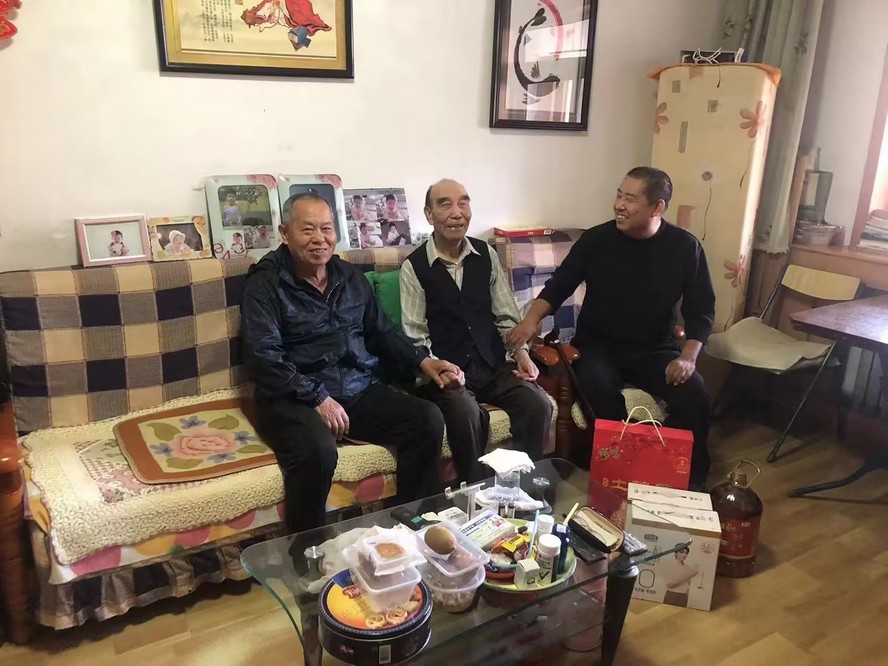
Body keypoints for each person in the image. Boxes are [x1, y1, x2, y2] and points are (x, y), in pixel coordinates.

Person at [241, 192, 462, 534]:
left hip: (355, 390)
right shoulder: (265, 284)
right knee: (318, 451)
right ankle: (307, 550)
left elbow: (382, 331)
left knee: (426, 418)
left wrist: (423, 361)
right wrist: (317, 397)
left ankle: (412, 529)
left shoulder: (348, 276)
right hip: (292, 397)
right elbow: (264, 356)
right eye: (308, 230)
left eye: (326, 228)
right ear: (285, 233)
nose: (319, 238)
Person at [507, 167, 715, 489]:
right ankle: (620, 476)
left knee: (694, 393)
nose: (619, 205)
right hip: (597, 348)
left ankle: (691, 484)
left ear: (657, 207)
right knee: (598, 390)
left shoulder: (685, 247)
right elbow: (559, 287)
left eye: (630, 199)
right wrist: (529, 322)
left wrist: (688, 357)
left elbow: (701, 310)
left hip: (655, 349)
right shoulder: (596, 240)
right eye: (619, 195)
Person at [400, 179, 553, 483]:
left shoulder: (486, 255)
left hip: (492, 365)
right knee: (467, 414)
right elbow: (415, 336)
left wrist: (522, 354)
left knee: (538, 404)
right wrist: (439, 368)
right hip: (447, 371)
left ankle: (523, 488)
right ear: (429, 214)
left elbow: (506, 317)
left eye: (464, 202)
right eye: (445, 204)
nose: (457, 212)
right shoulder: (414, 267)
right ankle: (474, 491)